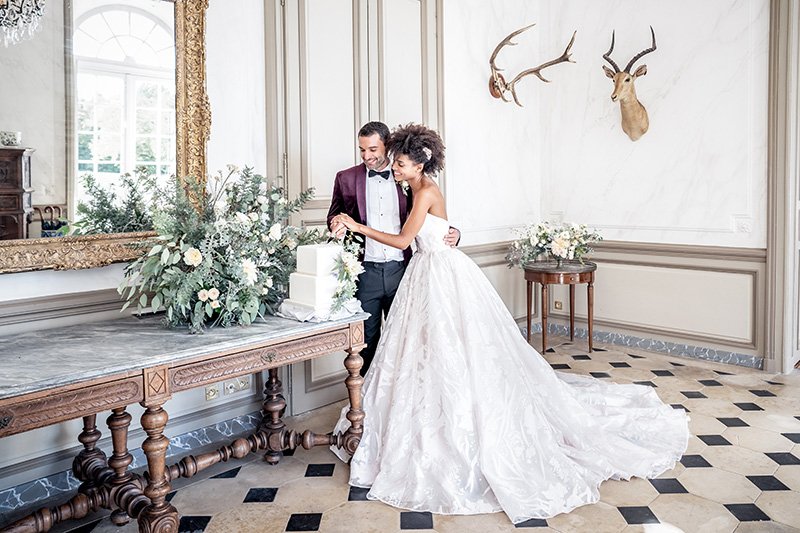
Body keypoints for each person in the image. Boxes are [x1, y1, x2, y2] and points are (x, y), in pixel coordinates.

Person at [330, 123, 689, 524]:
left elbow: (407, 237)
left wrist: (366, 226)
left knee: (454, 347)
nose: (388, 165)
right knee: (414, 351)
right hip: (414, 273)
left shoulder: (423, 188)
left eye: (396, 160)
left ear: (416, 162)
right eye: (384, 159)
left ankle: (450, 424)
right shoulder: (401, 184)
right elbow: (431, 226)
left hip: (432, 273)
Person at [327, 121, 459, 375]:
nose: (367, 156)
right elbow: (334, 215)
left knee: (409, 341)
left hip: (406, 271)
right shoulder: (346, 178)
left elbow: (431, 219)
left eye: (373, 149)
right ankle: (365, 405)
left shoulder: (408, 175)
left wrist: (455, 233)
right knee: (365, 343)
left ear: (387, 146)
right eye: (362, 150)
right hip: (366, 274)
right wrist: (336, 224)